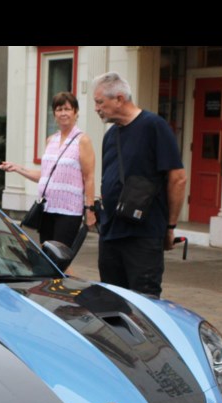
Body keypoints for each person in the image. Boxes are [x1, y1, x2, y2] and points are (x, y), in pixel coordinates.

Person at [92, 72, 186, 299]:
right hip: (111, 234)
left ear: (119, 99)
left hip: (143, 234)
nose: (96, 108)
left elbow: (178, 178)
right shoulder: (111, 134)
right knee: (111, 299)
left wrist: (170, 226)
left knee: (144, 301)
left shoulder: (154, 126)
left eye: (99, 102)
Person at [0, 92, 96, 247]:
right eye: (59, 109)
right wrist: (17, 168)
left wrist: (90, 210)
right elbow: (45, 176)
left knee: (59, 257)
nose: (63, 113)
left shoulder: (82, 140)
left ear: (76, 112)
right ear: (54, 114)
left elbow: (89, 177)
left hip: (68, 212)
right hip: (47, 209)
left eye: (67, 109)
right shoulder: (51, 140)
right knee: (48, 258)